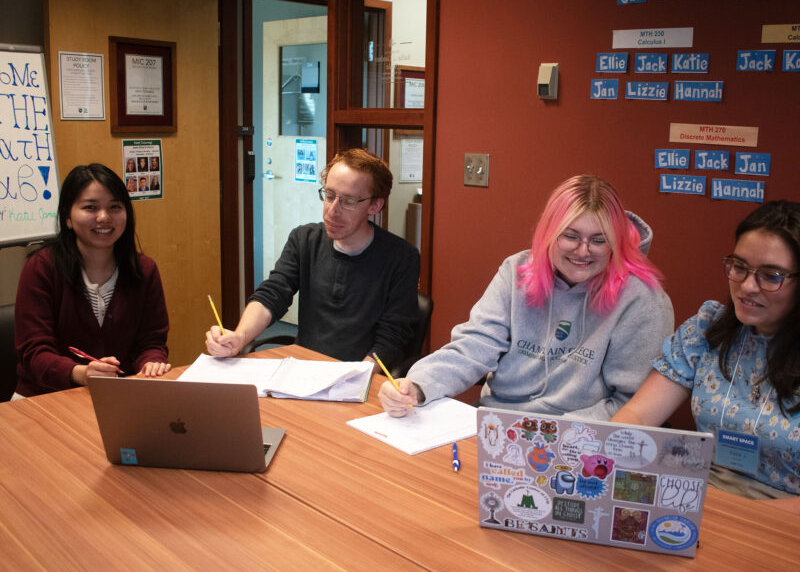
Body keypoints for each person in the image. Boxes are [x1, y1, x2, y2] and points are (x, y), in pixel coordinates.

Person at [379, 174, 673, 420]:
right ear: (548, 234)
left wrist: (549, 435)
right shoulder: (517, 270)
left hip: (579, 442)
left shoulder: (642, 299)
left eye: (599, 240)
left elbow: (632, 403)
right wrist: (418, 384)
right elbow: (475, 345)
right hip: (497, 421)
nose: (583, 251)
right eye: (570, 236)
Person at [613, 201, 800, 502]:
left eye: (771, 275)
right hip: (701, 495)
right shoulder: (706, 330)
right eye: (739, 267)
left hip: (784, 517)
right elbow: (638, 414)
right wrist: (607, 460)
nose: (748, 286)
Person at [205, 148, 420, 368]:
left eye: (348, 201)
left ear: (375, 205)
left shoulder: (401, 258)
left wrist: (360, 375)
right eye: (329, 196)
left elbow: (392, 337)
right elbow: (273, 293)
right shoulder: (305, 240)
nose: (332, 211)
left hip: (361, 375)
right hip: (306, 370)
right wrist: (240, 337)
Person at [13, 163, 171, 397]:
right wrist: (82, 373)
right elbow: (34, 353)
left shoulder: (143, 269)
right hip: (44, 396)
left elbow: (151, 341)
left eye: (115, 207)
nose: (104, 217)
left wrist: (152, 363)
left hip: (116, 395)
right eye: (90, 207)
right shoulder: (42, 267)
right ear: (67, 216)